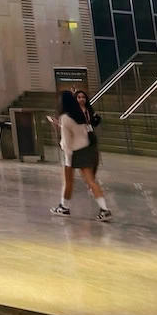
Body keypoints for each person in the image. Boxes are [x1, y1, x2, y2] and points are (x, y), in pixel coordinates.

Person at [52, 89, 112, 221]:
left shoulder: (65, 118)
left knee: (68, 182)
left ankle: (64, 207)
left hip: (73, 153)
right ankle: (104, 209)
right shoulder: (81, 114)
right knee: (91, 181)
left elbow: (67, 142)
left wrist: (68, 158)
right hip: (85, 149)